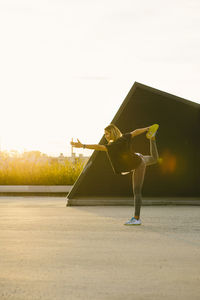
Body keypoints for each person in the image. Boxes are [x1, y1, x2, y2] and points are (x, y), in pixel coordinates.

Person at [71, 124, 159, 225]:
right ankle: (152, 137)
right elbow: (135, 131)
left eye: (107, 134)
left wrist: (83, 146)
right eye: (105, 134)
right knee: (154, 159)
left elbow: (98, 147)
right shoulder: (125, 137)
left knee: (137, 191)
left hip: (138, 163)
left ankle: (136, 218)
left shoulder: (113, 146)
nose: (106, 136)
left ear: (112, 133)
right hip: (138, 158)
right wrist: (147, 129)